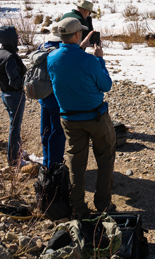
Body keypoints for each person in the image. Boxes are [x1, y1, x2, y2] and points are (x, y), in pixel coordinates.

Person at [47, 18, 116, 217]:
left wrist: (80, 47)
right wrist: (100, 59)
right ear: (77, 34)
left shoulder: (51, 58)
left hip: (69, 119)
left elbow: (70, 61)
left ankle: (77, 205)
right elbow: (105, 86)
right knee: (105, 158)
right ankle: (102, 204)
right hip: (95, 117)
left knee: (76, 162)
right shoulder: (90, 61)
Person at [0, 25, 27, 166]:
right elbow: (14, 81)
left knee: (13, 126)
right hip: (14, 95)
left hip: (5, 94)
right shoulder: (10, 57)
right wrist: (25, 84)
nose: (18, 38)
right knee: (15, 128)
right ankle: (14, 160)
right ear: (11, 38)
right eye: (15, 35)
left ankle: (16, 152)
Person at [37, 24, 66, 169]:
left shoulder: (42, 47)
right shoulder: (61, 51)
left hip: (43, 97)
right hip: (57, 99)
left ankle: (46, 164)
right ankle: (55, 168)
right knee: (57, 134)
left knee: (46, 132)